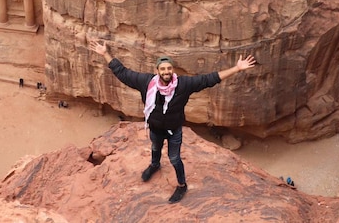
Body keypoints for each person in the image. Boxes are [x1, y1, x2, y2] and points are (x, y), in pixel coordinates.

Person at [89, 39, 257, 204]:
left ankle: (181, 185)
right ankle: (155, 166)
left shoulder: (183, 84)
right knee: (155, 147)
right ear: (157, 71)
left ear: (173, 70)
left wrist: (237, 68)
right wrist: (105, 53)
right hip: (155, 128)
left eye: (169, 68)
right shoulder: (146, 83)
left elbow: (209, 79)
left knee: (174, 159)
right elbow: (122, 72)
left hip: (174, 130)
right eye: (163, 69)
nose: (166, 71)